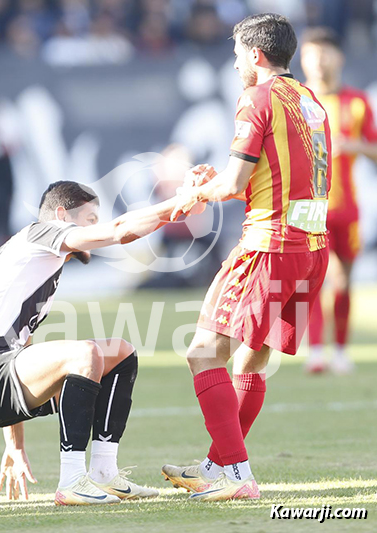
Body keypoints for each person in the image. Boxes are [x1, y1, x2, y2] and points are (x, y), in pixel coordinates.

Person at [161, 13, 332, 501]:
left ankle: (236, 475)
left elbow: (235, 184)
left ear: (255, 55)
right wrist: (225, 185)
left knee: (202, 351)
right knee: (251, 363)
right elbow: (286, 183)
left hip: (267, 248)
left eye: (237, 53)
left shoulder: (257, 97)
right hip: (311, 250)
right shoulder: (310, 101)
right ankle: (218, 465)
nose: (235, 61)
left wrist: (198, 193)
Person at [0, 180, 188, 506]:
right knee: (84, 355)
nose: (94, 228)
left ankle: (103, 473)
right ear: (61, 216)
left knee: (119, 353)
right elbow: (118, 231)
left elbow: (20, 354)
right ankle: (72, 481)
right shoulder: (40, 233)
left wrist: (15, 446)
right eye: (89, 219)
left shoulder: (41, 265)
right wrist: (181, 202)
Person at [300, 27, 377, 374]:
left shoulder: (357, 102)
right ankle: (316, 351)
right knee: (310, 278)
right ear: (302, 59)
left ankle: (341, 350)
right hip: (306, 206)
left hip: (346, 207)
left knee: (343, 280)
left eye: (325, 53)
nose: (319, 61)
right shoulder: (295, 101)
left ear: (339, 58)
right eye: (312, 54)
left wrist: (354, 145)